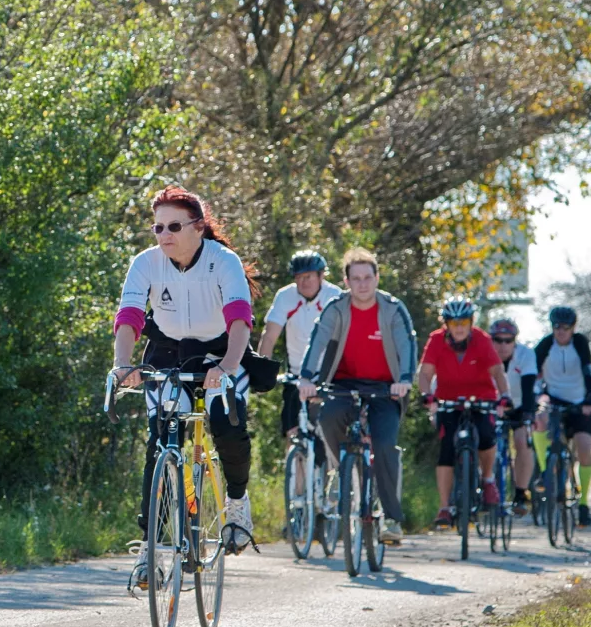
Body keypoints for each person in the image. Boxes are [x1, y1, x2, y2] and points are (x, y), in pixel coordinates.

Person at [114, 184, 264, 561]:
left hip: (219, 349)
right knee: (161, 438)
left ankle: (237, 501)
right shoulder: (145, 263)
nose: (164, 235)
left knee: (226, 423)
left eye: (174, 227)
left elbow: (240, 320)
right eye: (158, 228)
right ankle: (150, 547)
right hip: (167, 350)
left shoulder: (222, 260)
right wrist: (123, 364)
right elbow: (129, 317)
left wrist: (228, 365)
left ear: (198, 227)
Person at [300, 247, 417, 544]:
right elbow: (318, 341)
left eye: (368, 277)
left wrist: (404, 380)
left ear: (377, 278)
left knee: (385, 444)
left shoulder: (392, 308)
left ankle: (391, 518)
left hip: (385, 389)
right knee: (328, 416)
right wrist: (307, 378)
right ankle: (340, 473)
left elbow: (407, 344)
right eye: (356, 278)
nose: (362, 284)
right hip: (343, 383)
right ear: (346, 281)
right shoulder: (337, 308)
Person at [414, 297, 511, 528]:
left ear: (471, 322)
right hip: (448, 400)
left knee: (487, 435)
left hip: (481, 398)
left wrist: (504, 396)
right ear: (446, 324)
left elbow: (498, 372)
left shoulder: (482, 340)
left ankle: (488, 480)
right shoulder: (436, 340)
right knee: (446, 447)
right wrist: (427, 395)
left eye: (464, 322)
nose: (459, 327)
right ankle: (445, 507)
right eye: (454, 322)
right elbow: (425, 374)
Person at [257, 250, 343, 451]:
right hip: (296, 374)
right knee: (293, 432)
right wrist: (262, 374)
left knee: (329, 434)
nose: (304, 282)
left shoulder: (335, 296)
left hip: (329, 375)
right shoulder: (286, 296)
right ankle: (295, 478)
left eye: (309, 276)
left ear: (321, 275)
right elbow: (269, 336)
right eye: (298, 277)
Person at [533, 304, 591, 527]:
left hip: (580, 403)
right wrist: (534, 398)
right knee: (539, 420)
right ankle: (544, 471)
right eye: (556, 326)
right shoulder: (545, 344)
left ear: (573, 328)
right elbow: (532, 373)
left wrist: (590, 398)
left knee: (584, 448)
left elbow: (588, 371)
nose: (561, 331)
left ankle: (584, 503)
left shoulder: (579, 343)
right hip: (554, 400)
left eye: (566, 327)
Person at [488, 317, 537, 510]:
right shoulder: (484, 354)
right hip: (491, 405)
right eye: (498, 340)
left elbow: (528, 386)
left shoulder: (526, 355)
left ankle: (520, 492)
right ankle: (483, 484)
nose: (502, 345)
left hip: (517, 406)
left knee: (522, 441)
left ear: (515, 341)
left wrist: (528, 414)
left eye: (508, 340)